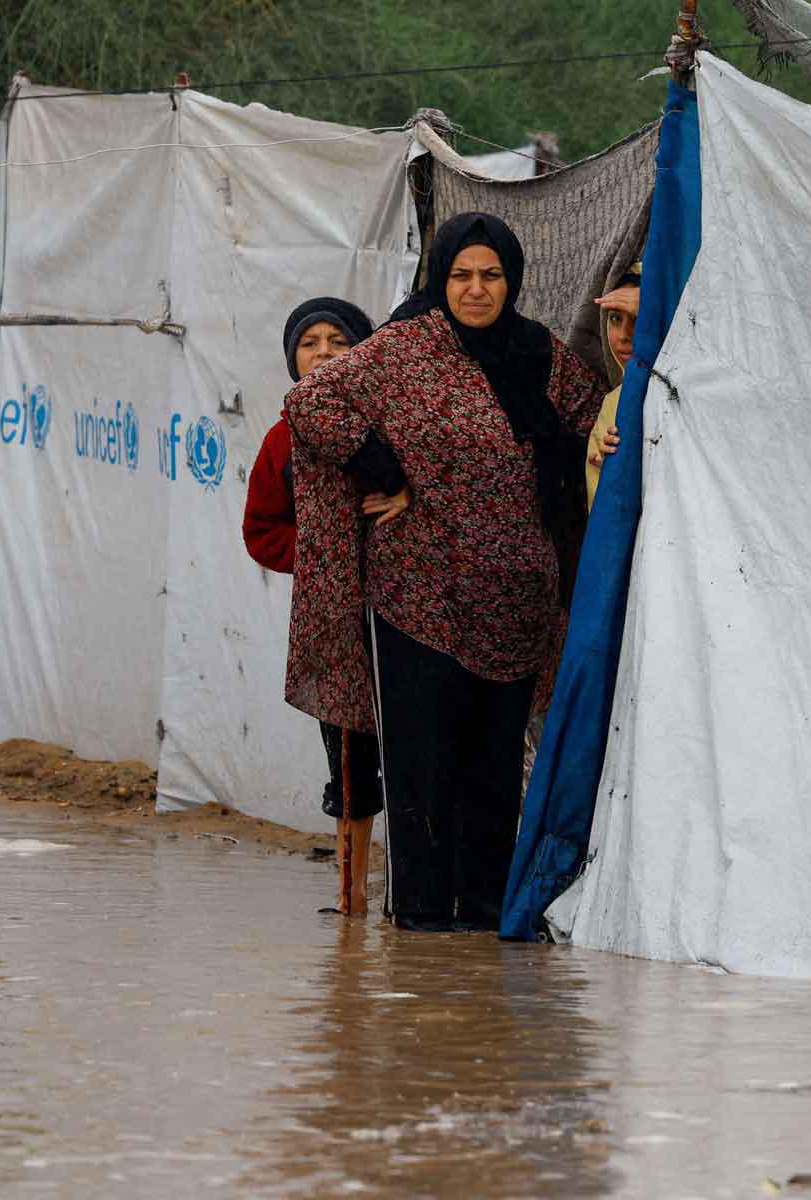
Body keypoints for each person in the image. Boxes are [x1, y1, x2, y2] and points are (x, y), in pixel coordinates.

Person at [285, 213, 602, 933]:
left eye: (491, 275)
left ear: (512, 280)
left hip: (516, 602)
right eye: (461, 275)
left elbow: (591, 420)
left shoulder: (541, 357)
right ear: (442, 277)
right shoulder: (403, 349)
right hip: (418, 601)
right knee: (423, 771)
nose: (476, 289)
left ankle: (487, 930)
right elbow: (312, 401)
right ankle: (422, 935)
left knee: (494, 777)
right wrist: (383, 468)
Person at [242, 296, 383, 915]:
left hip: (402, 615)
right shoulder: (282, 438)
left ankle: (413, 892)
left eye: (339, 341)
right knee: (350, 763)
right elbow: (262, 531)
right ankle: (350, 899)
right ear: (293, 358)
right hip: (332, 626)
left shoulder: (390, 427)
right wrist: (325, 547)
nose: (325, 352)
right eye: (311, 342)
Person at [584, 264, 639, 509]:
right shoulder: (613, 404)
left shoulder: (697, 396)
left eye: (639, 319)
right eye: (615, 319)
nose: (625, 335)